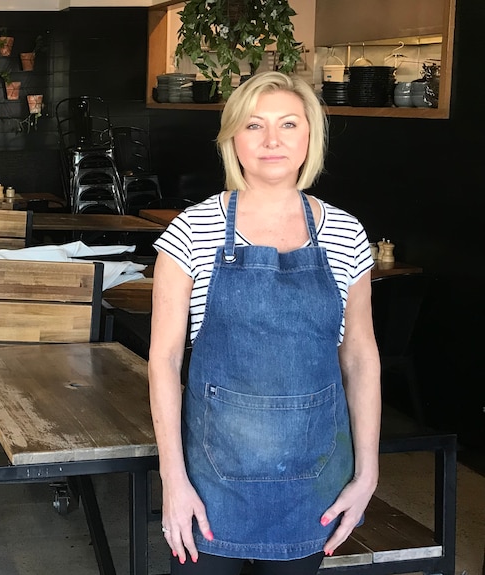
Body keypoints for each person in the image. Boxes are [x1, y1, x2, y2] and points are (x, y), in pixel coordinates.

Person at [148, 71, 381, 575]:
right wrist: (173, 481)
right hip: (210, 482)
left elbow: (361, 357)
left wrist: (367, 475)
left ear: (309, 136)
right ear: (233, 138)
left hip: (314, 480)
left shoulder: (344, 231)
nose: (272, 140)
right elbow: (164, 361)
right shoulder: (192, 229)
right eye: (254, 125)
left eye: (288, 124)